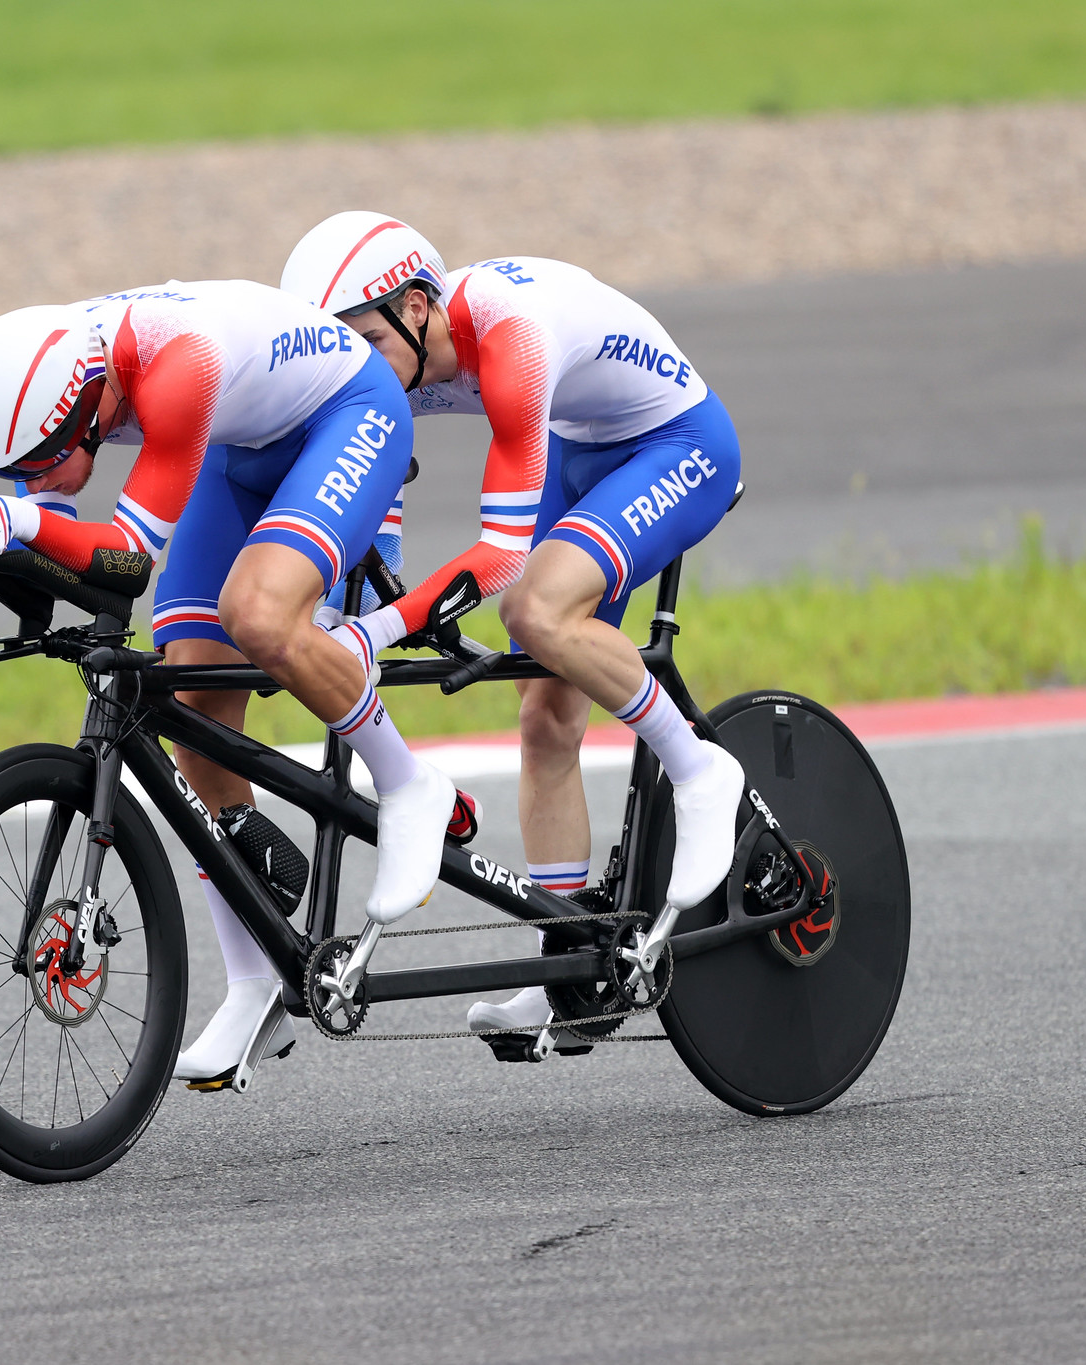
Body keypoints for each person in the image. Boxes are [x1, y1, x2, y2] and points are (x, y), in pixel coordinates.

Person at [0, 281, 458, 1085]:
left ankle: (410, 783)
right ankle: (253, 984)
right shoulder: (69, 381)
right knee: (185, 686)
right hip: (240, 447)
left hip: (349, 416)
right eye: (15, 471)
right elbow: (63, 543)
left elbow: (127, 557)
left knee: (259, 613)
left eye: (39, 462)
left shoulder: (176, 365)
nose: (36, 481)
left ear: (89, 411)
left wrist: (16, 523)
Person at [281, 213, 747, 1036]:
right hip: (585, 444)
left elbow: (499, 556)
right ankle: (565, 957)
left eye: (364, 342)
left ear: (416, 308)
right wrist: (337, 609)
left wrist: (379, 631)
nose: (364, 369)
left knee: (534, 608)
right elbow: (377, 471)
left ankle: (700, 771)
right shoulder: (400, 350)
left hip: (677, 447)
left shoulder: (510, 339)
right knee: (546, 718)